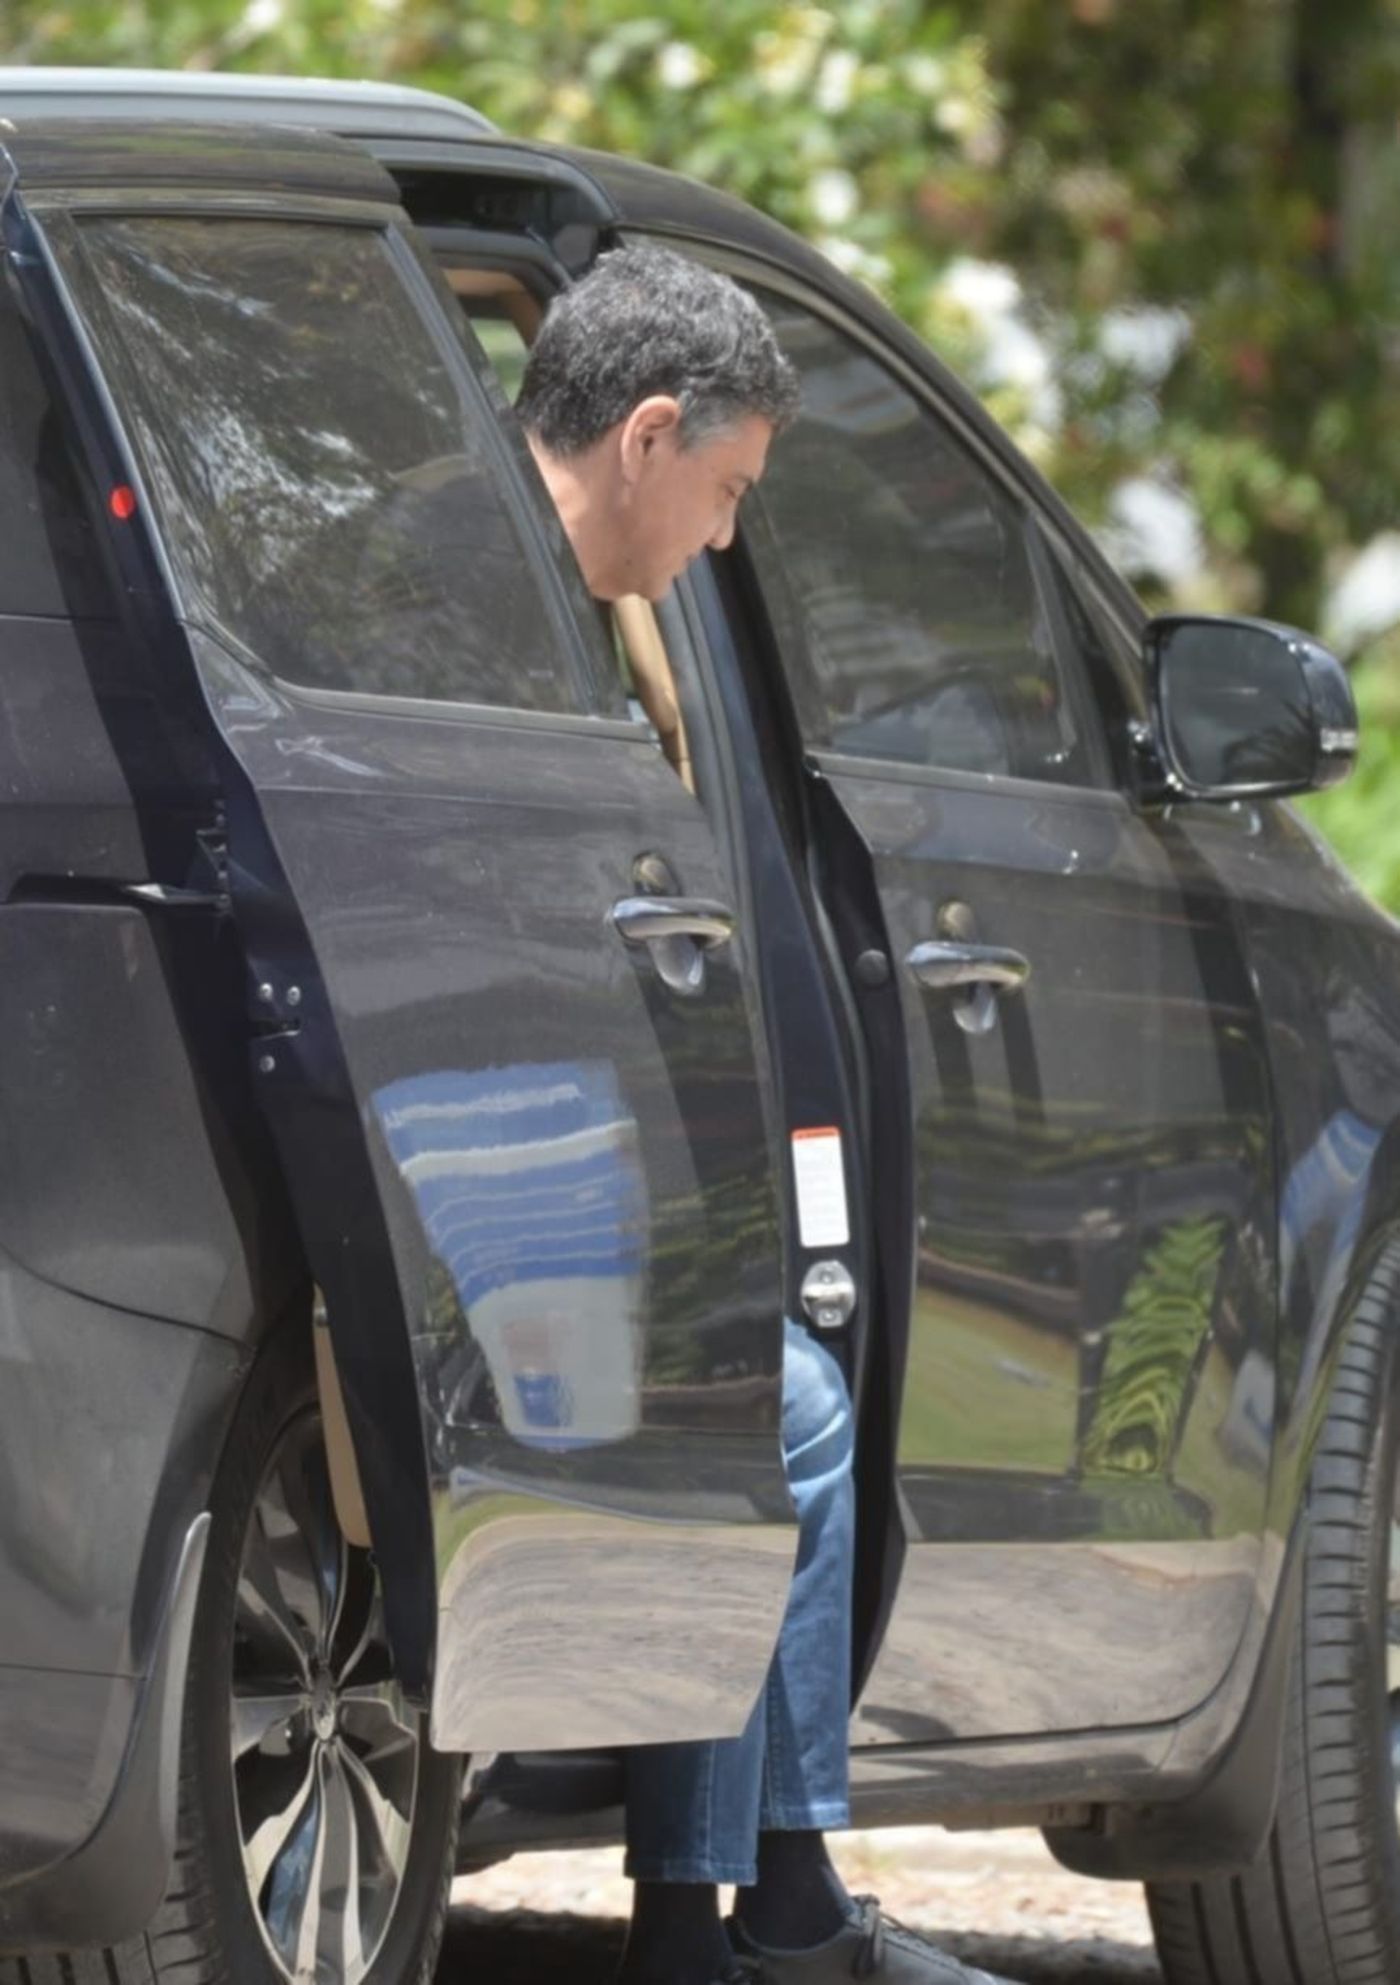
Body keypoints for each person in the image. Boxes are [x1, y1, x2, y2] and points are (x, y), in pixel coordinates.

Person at [515, 245, 1015, 1985]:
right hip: (494, 1172)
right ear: (648, 434)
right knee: (785, 1408)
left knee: (789, 1387)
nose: (725, 539)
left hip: (603, 1168)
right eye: (727, 492)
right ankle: (724, 1926)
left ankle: (763, 1910)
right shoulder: (473, 592)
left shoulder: (601, 595)